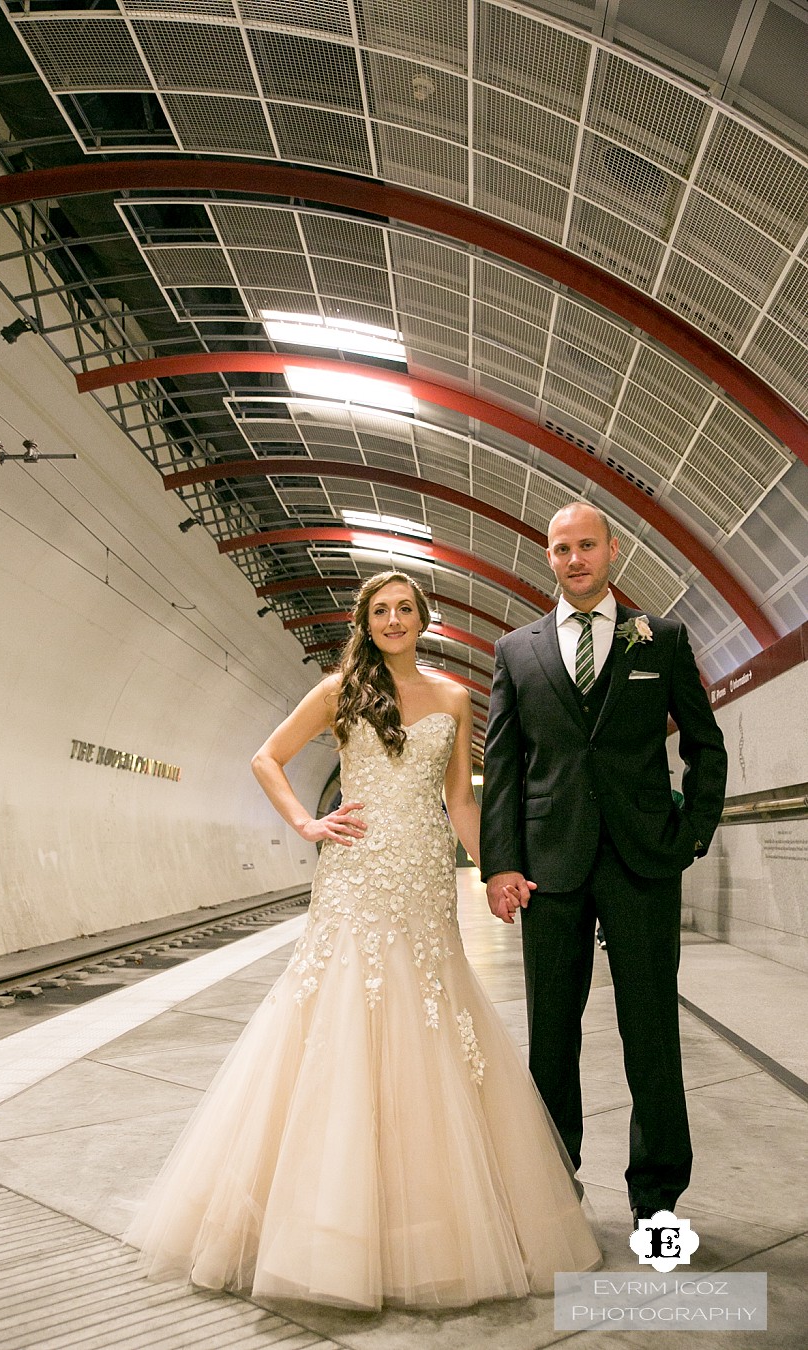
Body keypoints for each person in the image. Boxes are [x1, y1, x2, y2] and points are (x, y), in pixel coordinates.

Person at [124, 570, 600, 1309]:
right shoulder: (338, 691)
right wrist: (308, 824)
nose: (393, 620)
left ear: (423, 618)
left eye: (405, 609)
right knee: (339, 1020)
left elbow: (460, 798)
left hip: (423, 878)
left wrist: (495, 870)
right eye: (380, 611)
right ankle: (327, 1224)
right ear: (365, 621)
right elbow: (266, 757)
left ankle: (422, 1221)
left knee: (432, 1022)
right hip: (354, 878)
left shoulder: (450, 698)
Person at [480, 503, 727, 1227]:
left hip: (643, 861)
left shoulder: (664, 639)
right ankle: (555, 1182)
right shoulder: (514, 651)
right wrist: (501, 864)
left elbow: (704, 746)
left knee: (650, 1031)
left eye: (587, 545)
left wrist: (692, 834)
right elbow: (502, 769)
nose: (574, 559)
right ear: (548, 558)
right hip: (548, 867)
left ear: (612, 550)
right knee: (551, 1035)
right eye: (561, 549)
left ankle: (657, 1198)